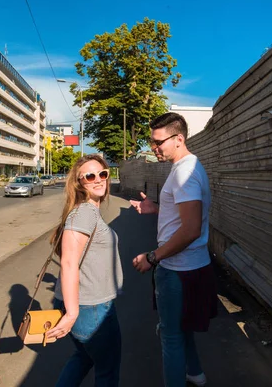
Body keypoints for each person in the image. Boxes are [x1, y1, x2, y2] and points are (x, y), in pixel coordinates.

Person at [131, 112, 217, 387]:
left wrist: (153, 257)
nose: (154, 148)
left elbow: (191, 229)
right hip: (193, 266)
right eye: (152, 142)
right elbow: (186, 218)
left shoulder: (185, 174)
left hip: (178, 271)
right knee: (183, 329)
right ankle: (196, 373)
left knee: (170, 337)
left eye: (158, 142)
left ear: (178, 139)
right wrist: (157, 208)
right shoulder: (187, 168)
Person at [47, 154, 124, 387]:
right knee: (107, 371)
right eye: (90, 176)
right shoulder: (83, 214)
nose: (99, 180)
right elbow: (69, 263)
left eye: (103, 174)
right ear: (80, 182)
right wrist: (71, 314)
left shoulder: (88, 211)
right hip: (92, 308)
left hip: (90, 305)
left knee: (83, 357)